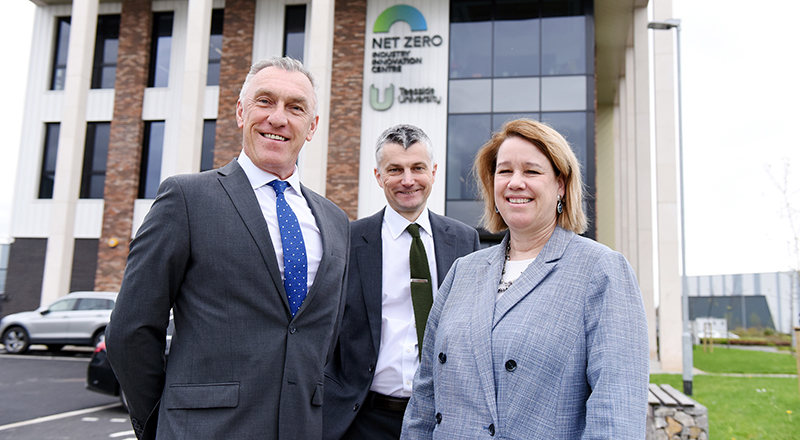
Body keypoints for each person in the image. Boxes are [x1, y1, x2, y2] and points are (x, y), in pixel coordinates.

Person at [105, 57, 350, 440]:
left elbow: (324, 339)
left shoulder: (335, 221)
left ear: (312, 126)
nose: (278, 118)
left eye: (295, 107)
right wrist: (162, 423)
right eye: (265, 101)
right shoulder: (186, 198)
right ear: (240, 112)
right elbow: (130, 331)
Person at [400, 118, 649, 439]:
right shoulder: (464, 271)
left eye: (531, 171)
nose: (516, 182)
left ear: (561, 184)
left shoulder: (601, 271)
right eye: (504, 171)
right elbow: (425, 392)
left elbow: (616, 416)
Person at [323, 124, 480, 440]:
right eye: (395, 169)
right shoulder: (347, 240)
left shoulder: (465, 241)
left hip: (441, 418)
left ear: (433, 172)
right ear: (379, 176)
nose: (408, 180)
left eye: (417, 168)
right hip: (363, 419)